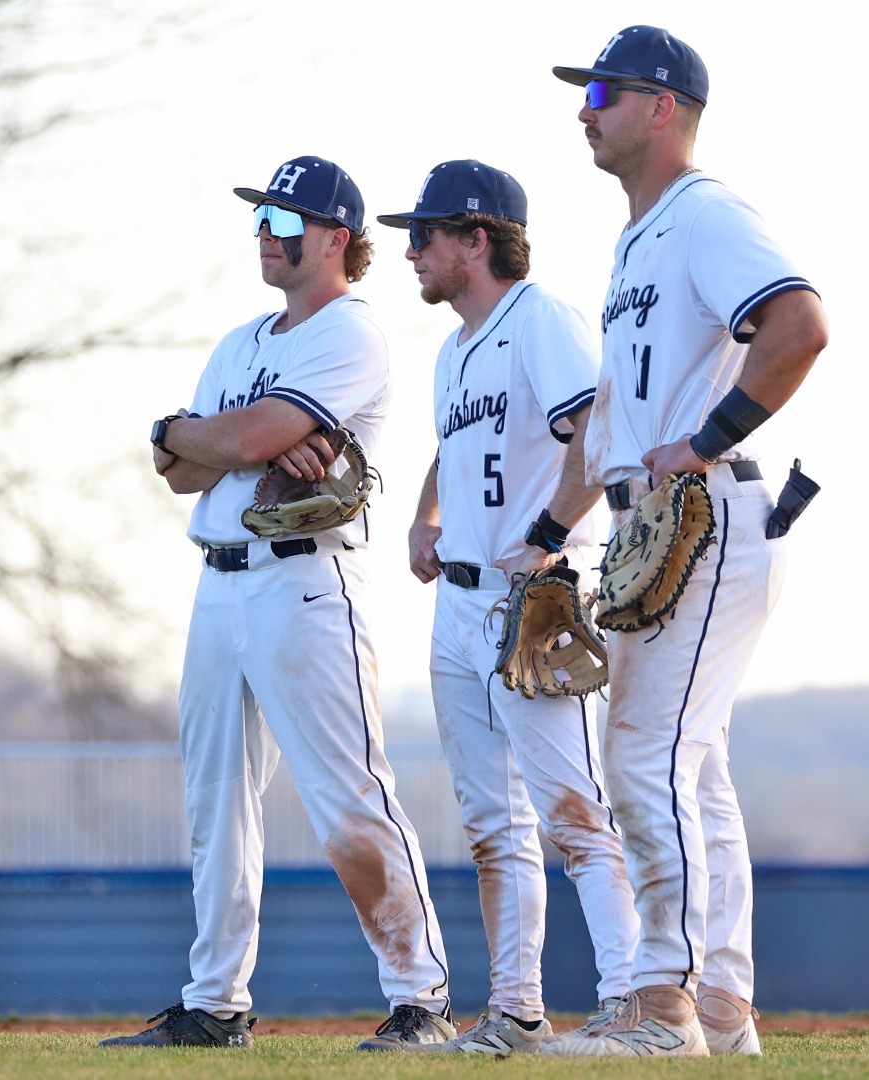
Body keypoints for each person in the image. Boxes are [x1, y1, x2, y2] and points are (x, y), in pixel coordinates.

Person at [103, 156, 454, 1053]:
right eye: (262, 214)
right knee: (214, 800)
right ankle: (216, 1004)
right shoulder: (240, 341)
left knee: (347, 795)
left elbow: (247, 435)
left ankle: (422, 999)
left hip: (306, 582)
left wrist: (212, 435)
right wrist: (186, 437)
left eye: (284, 217)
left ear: (337, 237)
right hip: (218, 581)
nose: (266, 228)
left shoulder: (352, 332)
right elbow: (181, 470)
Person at [536, 27, 829, 1059]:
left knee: (645, 755)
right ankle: (720, 1011)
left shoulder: (706, 213)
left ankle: (662, 1009)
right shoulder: (636, 240)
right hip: (657, 531)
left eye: (605, 90)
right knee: (691, 771)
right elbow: (615, 417)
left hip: (705, 523)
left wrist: (702, 444)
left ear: (663, 107)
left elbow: (799, 324)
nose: (586, 107)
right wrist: (546, 539)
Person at [376, 160, 638, 1057]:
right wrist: (424, 515)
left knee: (575, 813)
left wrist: (550, 534)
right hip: (457, 607)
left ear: (476, 239)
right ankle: (517, 1012)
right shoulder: (454, 348)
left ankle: (631, 1006)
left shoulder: (543, 322)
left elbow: (597, 435)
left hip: (531, 601)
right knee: (492, 827)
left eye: (425, 235)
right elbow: (457, 450)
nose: (410, 251)